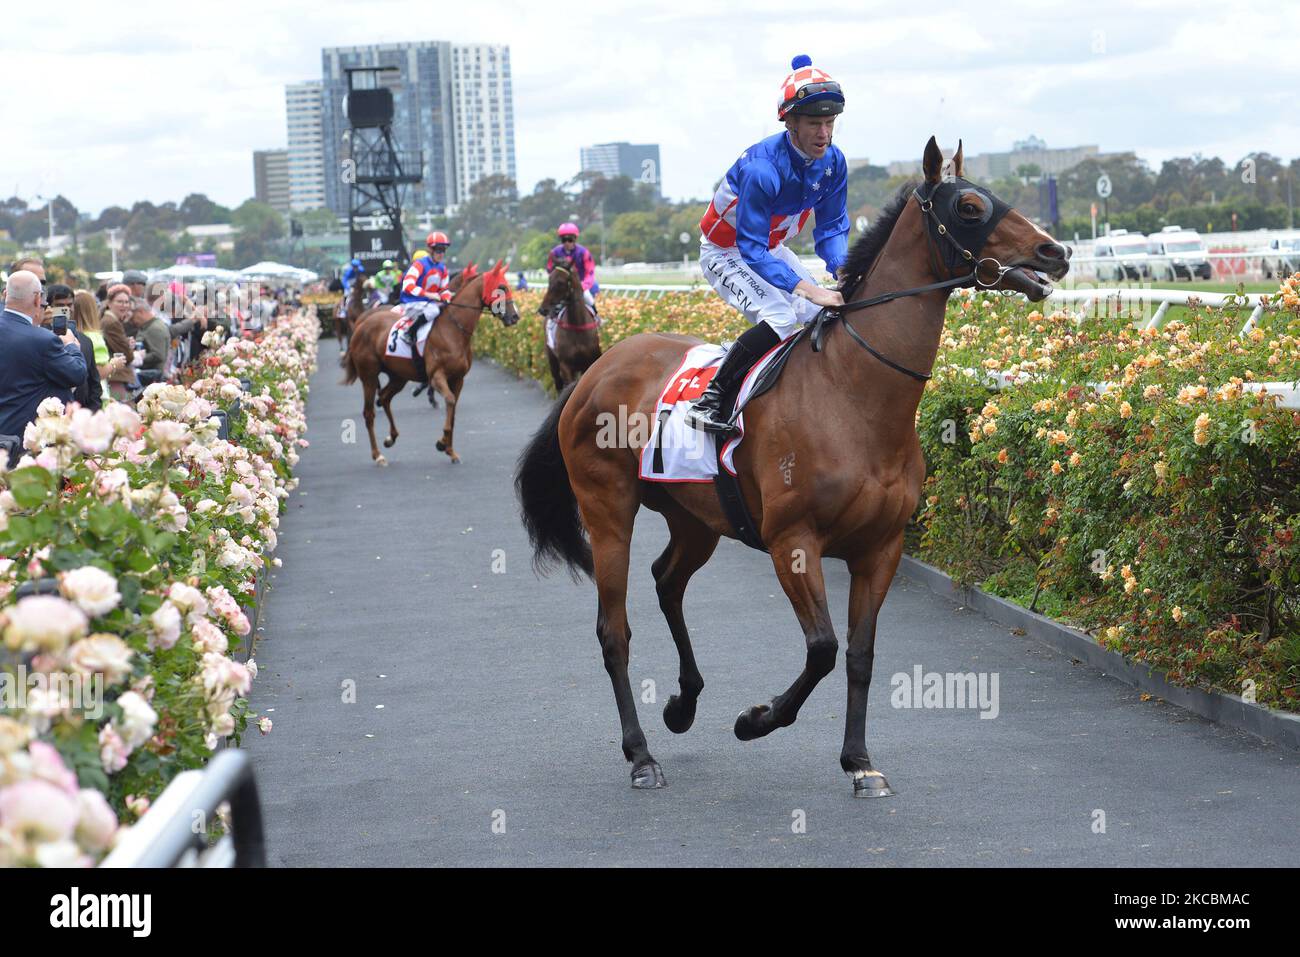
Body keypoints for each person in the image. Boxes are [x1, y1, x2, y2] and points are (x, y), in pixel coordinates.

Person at [685, 54, 850, 433]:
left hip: (770, 250)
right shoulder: (763, 169)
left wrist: (842, 271)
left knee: (821, 316)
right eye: (813, 123)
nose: (823, 134)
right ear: (789, 122)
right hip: (728, 251)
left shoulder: (833, 162)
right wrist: (807, 288)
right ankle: (710, 399)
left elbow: (832, 228)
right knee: (780, 316)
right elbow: (752, 249)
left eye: (829, 123)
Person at [0, 271, 87, 439]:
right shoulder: (43, 340)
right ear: (37, 299)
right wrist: (71, 346)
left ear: (6, 295)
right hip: (25, 437)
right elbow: (77, 374)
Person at [45, 284, 103, 412]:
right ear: (49, 307)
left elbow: (94, 382)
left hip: (82, 416)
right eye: (60, 306)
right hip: (51, 415)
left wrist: (92, 411)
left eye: (69, 305)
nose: (66, 309)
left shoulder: (85, 341)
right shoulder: (42, 339)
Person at [399, 232, 453, 345]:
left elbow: (444, 290)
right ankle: (409, 333)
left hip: (428, 305)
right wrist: (429, 294)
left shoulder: (443, 269)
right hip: (412, 303)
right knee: (434, 310)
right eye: (438, 250)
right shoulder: (419, 264)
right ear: (430, 249)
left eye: (444, 250)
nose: (441, 253)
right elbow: (407, 285)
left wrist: (447, 297)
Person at [546, 223, 598, 315]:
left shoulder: (583, 252)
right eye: (564, 240)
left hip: (580, 285)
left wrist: (584, 285)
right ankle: (549, 325)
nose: (567, 243)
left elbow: (590, 272)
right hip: (561, 287)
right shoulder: (555, 252)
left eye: (570, 240)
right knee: (549, 301)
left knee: (588, 298)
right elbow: (550, 269)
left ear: (575, 239)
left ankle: (597, 318)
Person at [99, 284, 138, 400]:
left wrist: (125, 343)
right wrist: (128, 347)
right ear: (109, 303)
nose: (124, 305)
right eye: (120, 302)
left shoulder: (110, 320)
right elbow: (128, 356)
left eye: (126, 302)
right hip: (116, 378)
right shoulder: (111, 322)